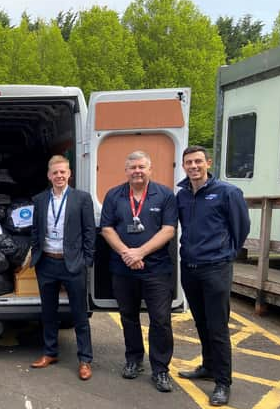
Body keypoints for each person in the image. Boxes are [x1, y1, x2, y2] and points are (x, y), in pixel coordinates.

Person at [176, 146, 250, 406]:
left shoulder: (227, 192)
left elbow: (241, 228)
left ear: (208, 162)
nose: (193, 166)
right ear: (183, 165)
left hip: (216, 268)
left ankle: (223, 382)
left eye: (198, 161)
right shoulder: (183, 194)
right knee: (201, 323)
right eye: (189, 162)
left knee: (218, 328)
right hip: (190, 268)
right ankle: (208, 366)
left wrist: (225, 254)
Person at [100, 151, 177, 392]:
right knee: (128, 317)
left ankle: (161, 369)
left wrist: (140, 252)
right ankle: (133, 359)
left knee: (161, 320)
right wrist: (127, 254)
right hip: (123, 269)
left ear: (150, 169)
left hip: (156, 269)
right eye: (132, 167)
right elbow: (107, 229)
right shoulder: (114, 195)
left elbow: (168, 230)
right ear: (126, 171)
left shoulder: (164, 195)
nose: (137, 171)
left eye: (141, 166)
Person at [29, 155, 95, 380]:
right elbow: (35, 230)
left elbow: (89, 232)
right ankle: (50, 353)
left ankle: (85, 359)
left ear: (69, 174)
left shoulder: (82, 199)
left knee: (79, 314)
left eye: (63, 172)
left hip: (73, 264)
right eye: (55, 172)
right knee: (48, 312)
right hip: (47, 262)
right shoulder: (39, 200)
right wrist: (36, 254)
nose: (59, 176)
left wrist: (87, 261)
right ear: (49, 175)